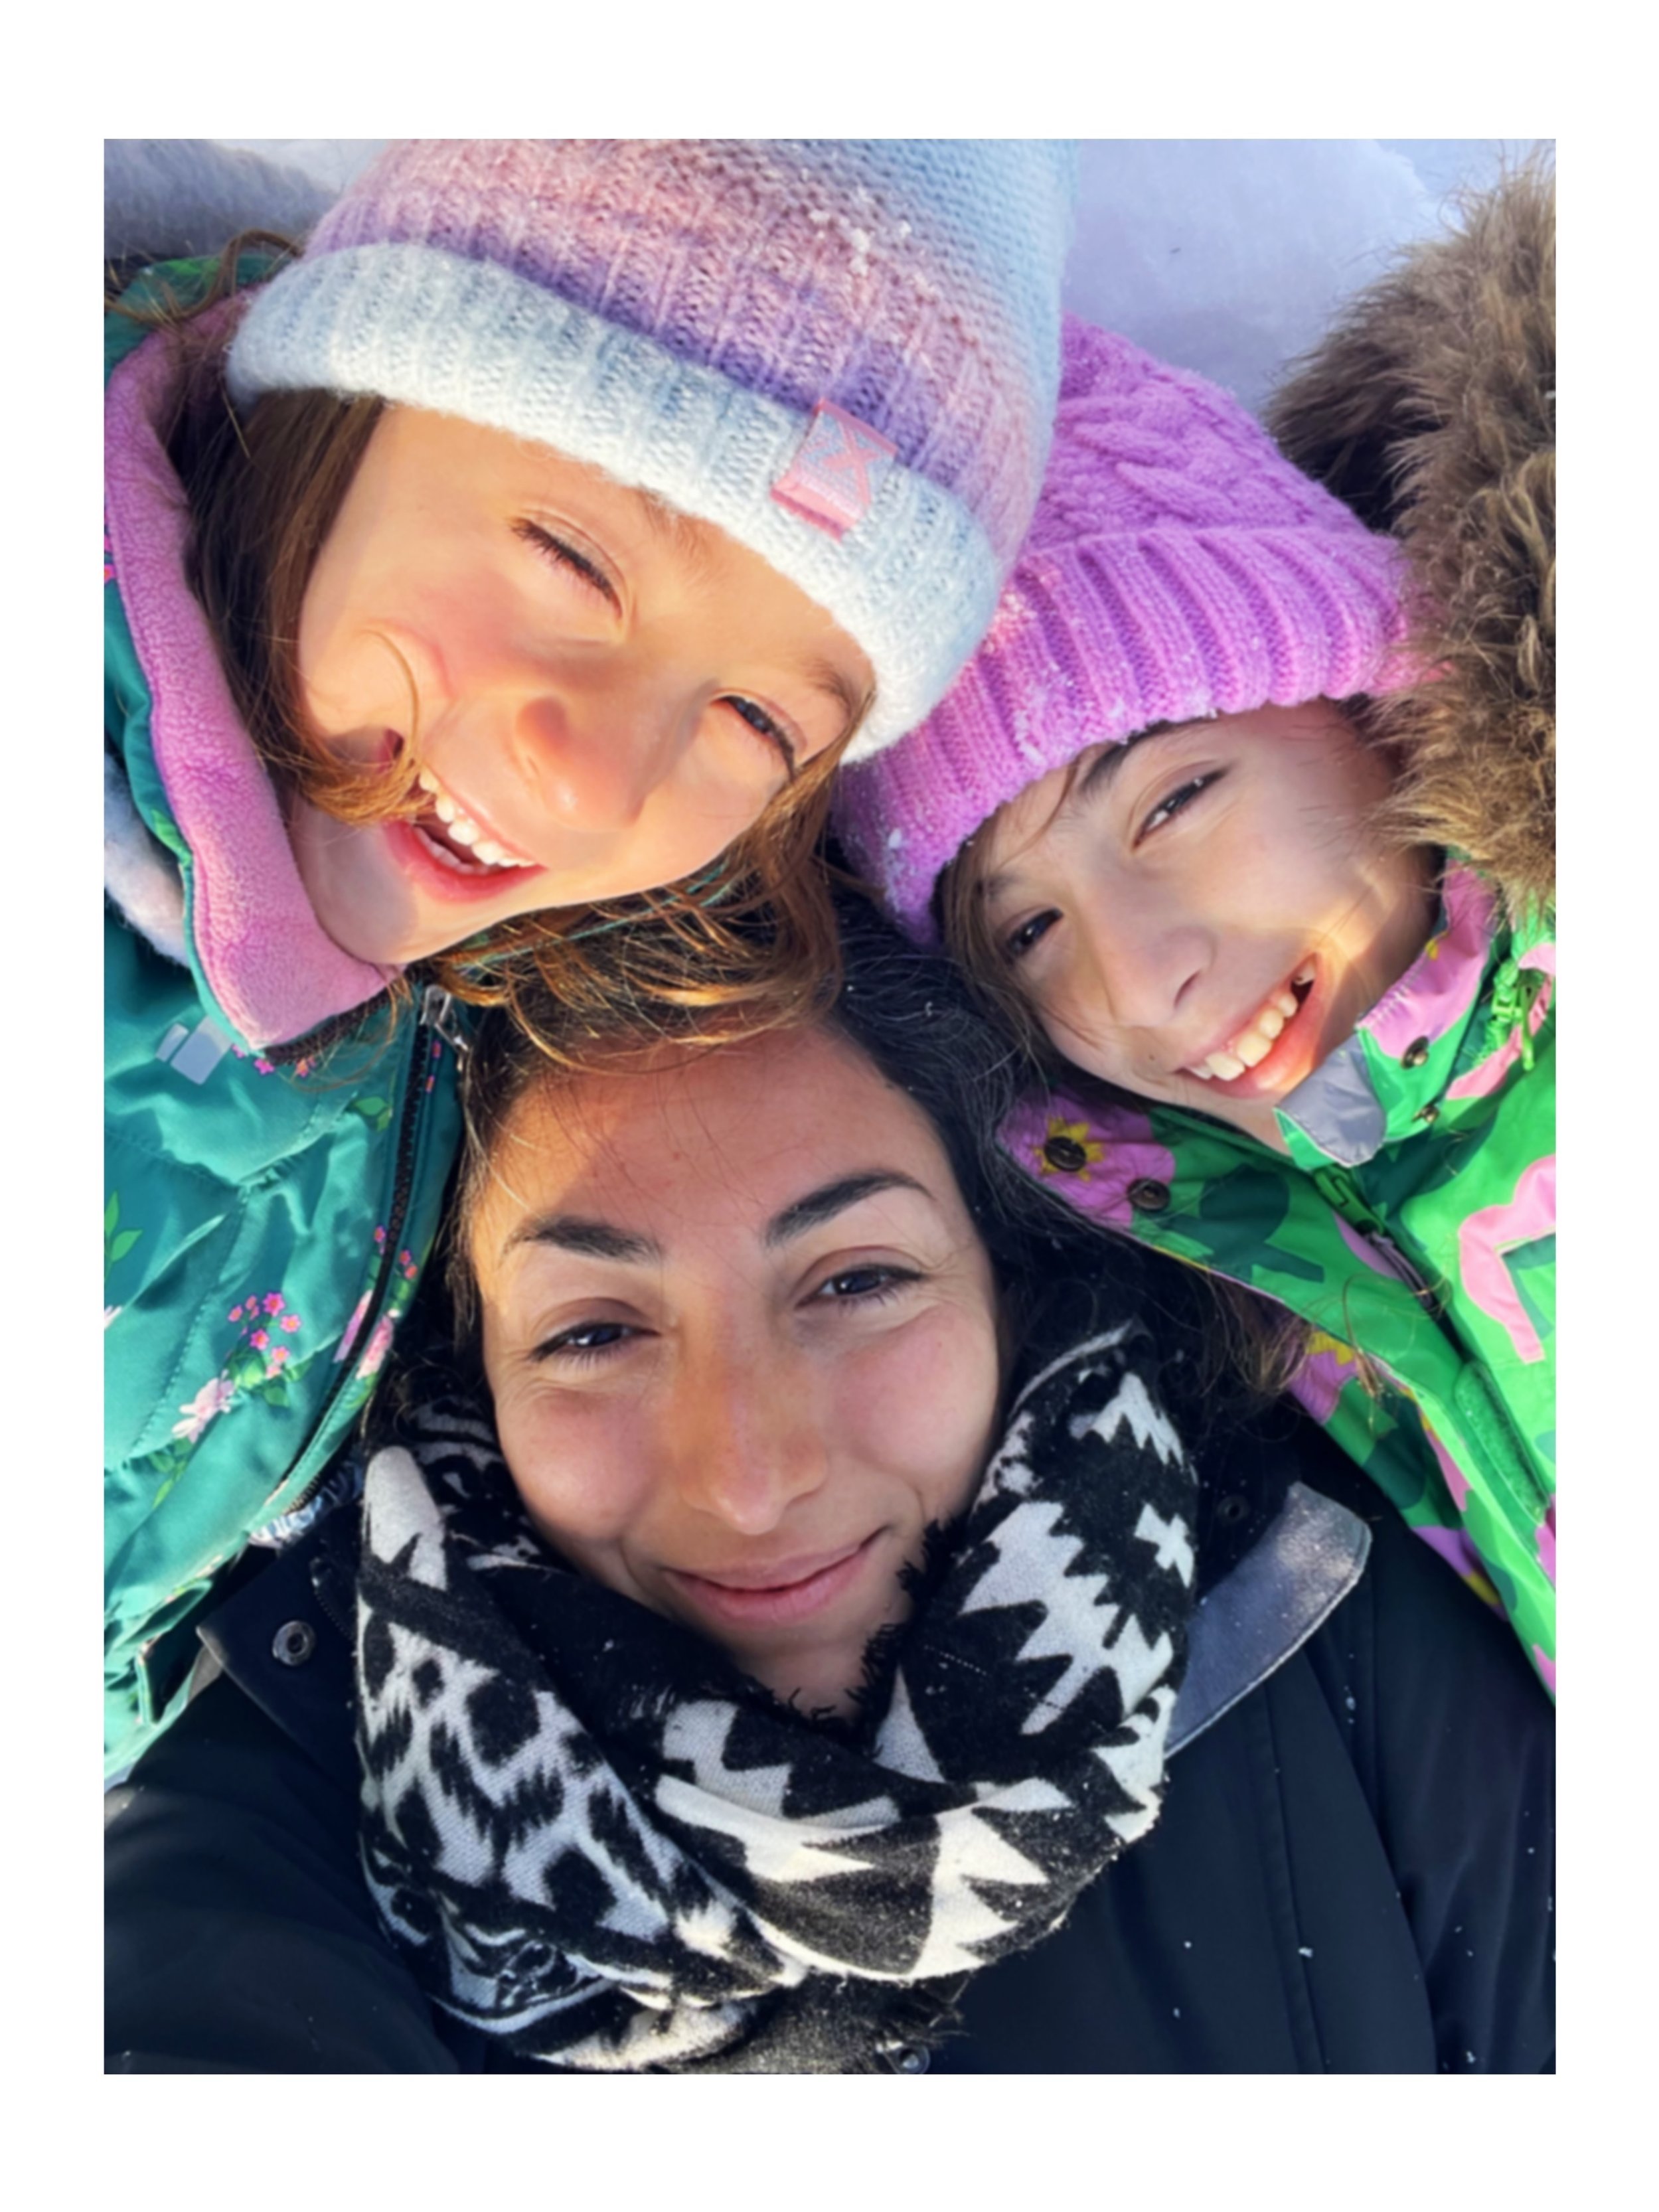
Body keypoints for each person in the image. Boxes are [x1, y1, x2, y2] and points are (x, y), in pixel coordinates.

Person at [105, 898, 1554, 2073]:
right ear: (470, 1368)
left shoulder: (1321, 1602)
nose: (747, 1476)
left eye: (856, 1279)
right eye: (592, 1331)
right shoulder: (293, 1770)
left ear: (1008, 1273)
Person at [104, 139, 1078, 1776]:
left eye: (760, 718)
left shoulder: (485, 975)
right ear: (339, 409)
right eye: (570, 560)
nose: (593, 778)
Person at [834, 167, 1555, 1696]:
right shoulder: (1252, 1245)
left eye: (1169, 803)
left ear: (1373, 688)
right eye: (1023, 928)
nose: (1139, 978)